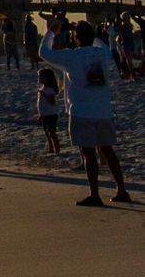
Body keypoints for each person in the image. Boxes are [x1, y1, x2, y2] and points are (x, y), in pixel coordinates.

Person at [39, 15, 131, 206]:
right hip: (104, 111)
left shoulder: (71, 57)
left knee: (88, 153)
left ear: (77, 37)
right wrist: (90, 32)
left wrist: (52, 32)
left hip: (82, 111)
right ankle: (121, 190)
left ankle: (95, 194)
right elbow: (101, 43)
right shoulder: (102, 54)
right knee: (108, 151)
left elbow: (44, 52)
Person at [37, 67, 61, 155]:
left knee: (52, 132)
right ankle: (51, 148)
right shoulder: (43, 88)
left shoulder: (49, 89)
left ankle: (57, 149)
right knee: (47, 133)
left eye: (39, 76)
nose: (38, 78)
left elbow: (52, 102)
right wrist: (40, 114)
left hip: (51, 114)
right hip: (44, 114)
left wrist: (45, 95)